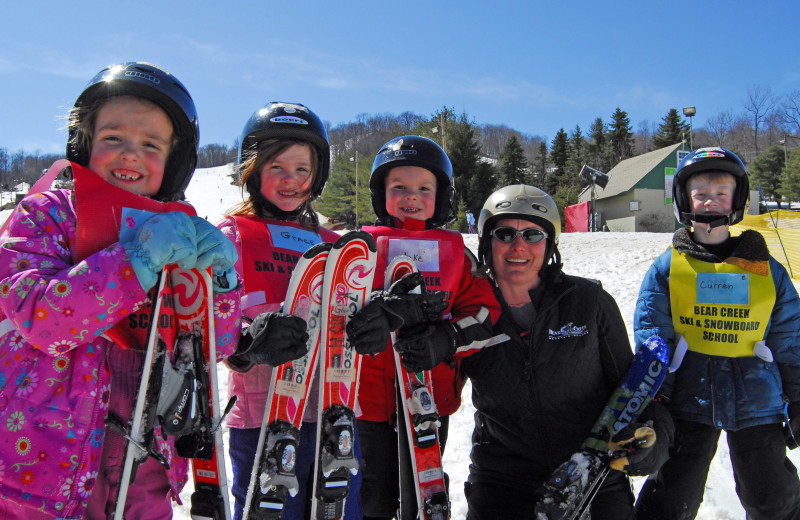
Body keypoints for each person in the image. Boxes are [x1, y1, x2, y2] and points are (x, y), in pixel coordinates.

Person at [0, 62, 243, 519]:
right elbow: (39, 318)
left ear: (174, 161)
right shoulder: (46, 215)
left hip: (144, 470)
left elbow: (216, 346)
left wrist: (223, 284)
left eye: (151, 145)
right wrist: (134, 262)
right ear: (86, 143)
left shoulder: (182, 233)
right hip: (41, 466)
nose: (130, 154)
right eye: (114, 138)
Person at [460, 185, 674, 520]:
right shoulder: (466, 312)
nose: (519, 246)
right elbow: (435, 395)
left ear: (549, 244)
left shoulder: (589, 302)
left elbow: (635, 390)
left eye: (533, 234)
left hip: (593, 473)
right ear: (487, 243)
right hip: (503, 479)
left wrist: (653, 438)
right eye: (505, 233)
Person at [634, 148, 800, 520]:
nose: (710, 201)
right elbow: (652, 334)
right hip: (689, 399)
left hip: (758, 400)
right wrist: (653, 402)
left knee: (772, 497)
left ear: (735, 200)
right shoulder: (667, 269)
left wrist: (798, 395)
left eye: (721, 193)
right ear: (684, 199)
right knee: (672, 499)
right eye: (701, 192)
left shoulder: (767, 270)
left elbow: (789, 337)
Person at [219, 102, 363, 520]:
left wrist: (376, 321)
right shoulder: (233, 236)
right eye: (277, 167)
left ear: (317, 176)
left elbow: (352, 311)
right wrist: (246, 342)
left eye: (302, 169)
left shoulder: (336, 245)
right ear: (252, 171)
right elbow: (212, 318)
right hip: (262, 419)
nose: (290, 180)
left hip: (333, 417)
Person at [345, 135, 501, 520]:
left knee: (423, 487)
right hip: (367, 403)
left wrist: (447, 339)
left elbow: (485, 312)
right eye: (398, 187)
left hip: (429, 396)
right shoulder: (360, 248)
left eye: (423, 188)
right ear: (381, 193)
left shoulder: (457, 255)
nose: (410, 196)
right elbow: (339, 308)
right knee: (373, 491)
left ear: (441, 196)